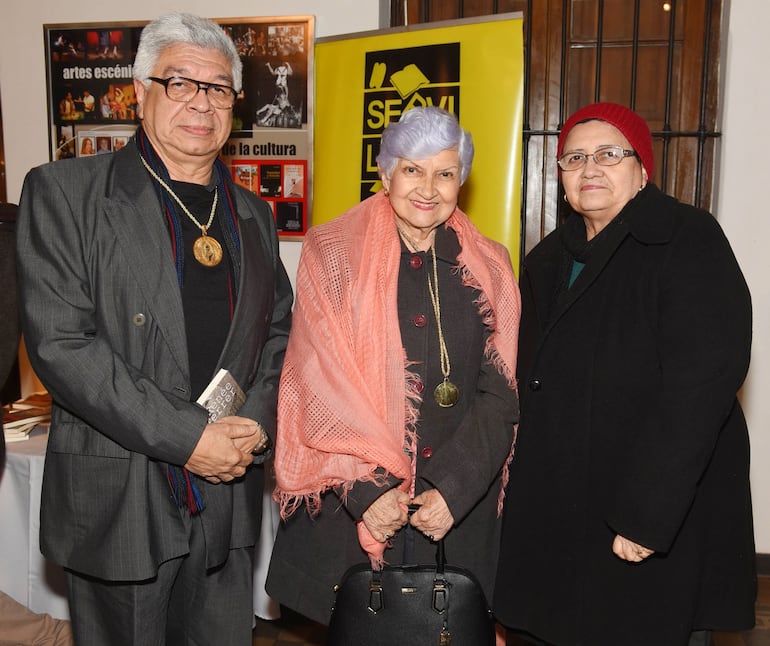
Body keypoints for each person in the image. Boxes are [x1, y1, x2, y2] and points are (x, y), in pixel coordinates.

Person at [16, 12, 293, 646]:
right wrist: (190, 438)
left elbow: (280, 328)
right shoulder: (65, 192)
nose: (202, 102)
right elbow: (62, 345)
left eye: (218, 87)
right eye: (180, 83)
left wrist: (255, 421)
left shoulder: (251, 211)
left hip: (228, 489)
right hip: (122, 495)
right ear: (141, 93)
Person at [493, 102, 756, 646]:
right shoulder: (546, 260)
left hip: (644, 516)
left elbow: (701, 385)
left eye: (610, 154)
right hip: (561, 510)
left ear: (643, 169)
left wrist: (645, 515)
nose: (590, 168)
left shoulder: (686, 238)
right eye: (574, 157)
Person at [266, 106, 521, 633]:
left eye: (445, 173)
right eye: (413, 169)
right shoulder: (333, 251)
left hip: (452, 516)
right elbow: (315, 380)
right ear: (386, 174)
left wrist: (452, 488)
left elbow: (500, 395)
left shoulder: (491, 265)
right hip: (348, 507)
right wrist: (369, 492)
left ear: (462, 182)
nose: (428, 188)